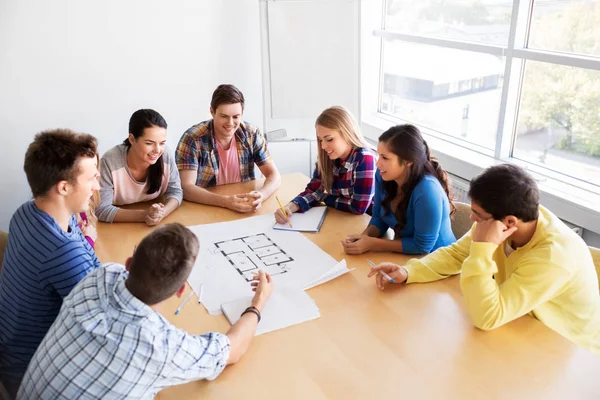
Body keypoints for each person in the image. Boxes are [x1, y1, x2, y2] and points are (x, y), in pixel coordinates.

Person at [17, 223, 274, 399]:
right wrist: (258, 302)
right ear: (180, 291)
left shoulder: (101, 275)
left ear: (128, 263)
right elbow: (232, 348)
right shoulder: (161, 346)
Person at [368, 164, 600, 355]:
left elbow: (487, 317)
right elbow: (457, 253)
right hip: (520, 322)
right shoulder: (511, 219)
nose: (471, 218)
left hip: (567, 349)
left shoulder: (553, 257)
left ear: (509, 222)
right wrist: (410, 271)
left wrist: (482, 248)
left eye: (478, 216)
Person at [0, 129, 102, 397]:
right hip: (33, 378)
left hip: (11, 353)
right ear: (64, 187)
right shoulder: (63, 253)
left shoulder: (27, 212)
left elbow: (88, 259)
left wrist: (88, 246)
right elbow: (104, 323)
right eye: (92, 178)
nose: (97, 186)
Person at [342, 124, 456, 255]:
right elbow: (379, 218)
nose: (378, 163)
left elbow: (422, 246)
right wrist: (364, 237)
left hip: (437, 261)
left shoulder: (427, 191)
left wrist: (372, 244)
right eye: (379, 155)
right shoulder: (382, 176)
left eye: (385, 157)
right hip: (405, 257)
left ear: (408, 161)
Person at [176, 84, 281, 213]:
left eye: (236, 117)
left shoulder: (251, 134)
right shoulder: (192, 138)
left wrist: (262, 195)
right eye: (224, 116)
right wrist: (225, 202)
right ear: (212, 112)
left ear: (242, 113)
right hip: (207, 207)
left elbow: (274, 175)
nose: (230, 123)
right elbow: (186, 188)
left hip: (244, 205)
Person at [274, 106, 376, 224]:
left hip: (367, 225)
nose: (323, 146)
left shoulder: (365, 158)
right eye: (320, 140)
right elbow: (314, 191)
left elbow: (358, 207)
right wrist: (290, 207)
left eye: (329, 139)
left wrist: (326, 198)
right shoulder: (328, 156)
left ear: (347, 133)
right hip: (340, 219)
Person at [96, 109, 183, 225]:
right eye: (149, 143)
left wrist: (162, 213)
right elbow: (102, 209)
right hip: (118, 228)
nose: (157, 150)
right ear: (132, 139)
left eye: (162, 143)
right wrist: (145, 215)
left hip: (154, 224)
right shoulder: (110, 162)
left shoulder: (165, 154)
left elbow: (176, 191)